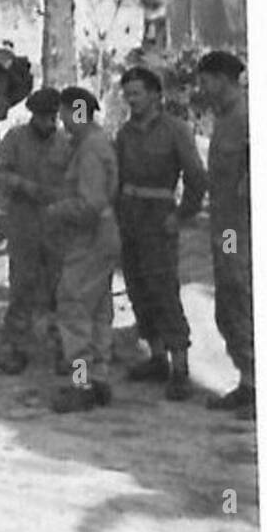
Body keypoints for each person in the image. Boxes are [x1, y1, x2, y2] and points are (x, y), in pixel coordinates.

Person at [115, 65, 207, 401]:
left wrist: (182, 215)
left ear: (156, 95)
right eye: (127, 95)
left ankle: (180, 367)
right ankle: (156, 358)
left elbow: (197, 177)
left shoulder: (175, 130)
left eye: (137, 93)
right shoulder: (124, 134)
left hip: (159, 218)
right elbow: (117, 178)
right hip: (129, 218)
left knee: (163, 290)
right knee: (138, 288)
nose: (132, 100)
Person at [46, 87, 121, 414]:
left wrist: (57, 210)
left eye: (63, 113)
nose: (61, 121)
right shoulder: (94, 143)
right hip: (102, 234)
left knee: (74, 306)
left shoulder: (89, 148)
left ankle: (81, 383)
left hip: (89, 235)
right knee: (99, 308)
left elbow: (90, 204)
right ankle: (99, 377)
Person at [0, 87, 72, 374]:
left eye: (52, 117)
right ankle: (17, 347)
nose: (48, 123)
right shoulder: (15, 139)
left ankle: (64, 349)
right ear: (33, 115)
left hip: (56, 226)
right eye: (42, 117)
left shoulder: (65, 144)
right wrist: (22, 185)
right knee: (21, 286)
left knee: (60, 289)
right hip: (24, 222)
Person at [198, 51, 253, 418]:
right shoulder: (224, 119)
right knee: (229, 302)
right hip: (225, 226)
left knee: (245, 298)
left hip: (243, 228)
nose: (202, 87)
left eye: (205, 79)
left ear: (222, 78)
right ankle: (249, 382)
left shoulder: (250, 117)